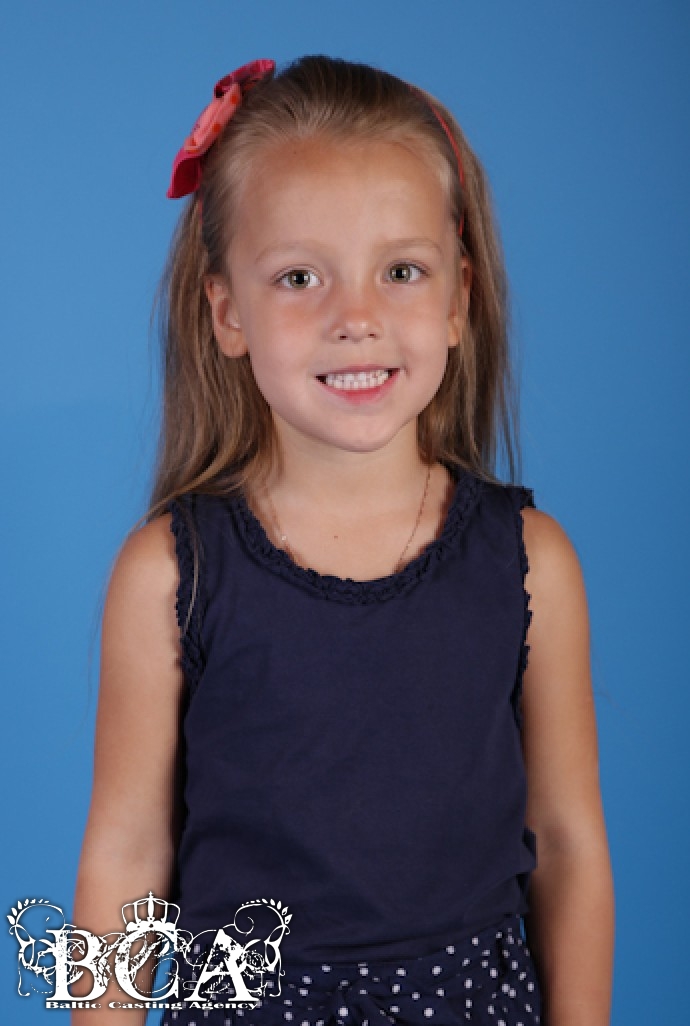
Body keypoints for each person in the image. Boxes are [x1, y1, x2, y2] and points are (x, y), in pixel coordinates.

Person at [72, 55, 614, 1026]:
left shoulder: (533, 563)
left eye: (401, 272)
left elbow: (568, 844)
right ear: (228, 313)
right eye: (300, 277)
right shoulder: (166, 576)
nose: (356, 319)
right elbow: (125, 856)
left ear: (458, 299)